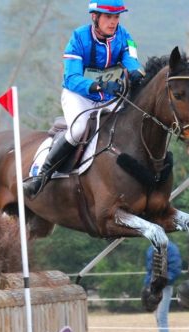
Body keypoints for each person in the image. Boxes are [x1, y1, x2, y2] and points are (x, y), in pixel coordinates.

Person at [24, 0, 145, 198]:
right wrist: (97, 85)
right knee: (79, 129)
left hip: (108, 96)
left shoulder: (125, 37)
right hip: (79, 96)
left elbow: (131, 60)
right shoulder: (78, 37)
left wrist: (135, 73)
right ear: (94, 17)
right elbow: (71, 78)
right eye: (108, 17)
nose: (113, 22)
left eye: (116, 17)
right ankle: (42, 176)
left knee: (129, 125)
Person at [144, 241, 182, 332]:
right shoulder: (150, 248)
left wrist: (163, 281)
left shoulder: (171, 248)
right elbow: (149, 270)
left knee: (161, 316)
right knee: (157, 316)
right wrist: (147, 285)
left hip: (164, 287)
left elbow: (175, 269)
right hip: (153, 287)